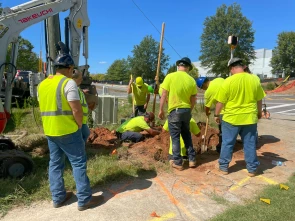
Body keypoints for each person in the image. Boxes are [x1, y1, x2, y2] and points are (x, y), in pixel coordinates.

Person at [38, 50, 103, 211]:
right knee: (78, 163)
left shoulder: (43, 84)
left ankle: (58, 197)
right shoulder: (68, 83)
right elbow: (76, 109)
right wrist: (79, 125)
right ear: (69, 69)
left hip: (50, 131)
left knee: (55, 164)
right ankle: (84, 199)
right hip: (68, 130)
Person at [214, 58, 266, 177]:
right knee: (249, 143)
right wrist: (259, 113)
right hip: (249, 118)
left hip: (231, 118)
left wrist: (217, 115)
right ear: (243, 67)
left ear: (231, 68)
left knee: (227, 143)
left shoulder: (227, 81)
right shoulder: (254, 79)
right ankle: (252, 169)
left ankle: (224, 167)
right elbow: (259, 99)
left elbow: (220, 102)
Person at [158, 57, 198, 171]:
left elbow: (164, 93)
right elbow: (193, 99)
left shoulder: (170, 76)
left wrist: (161, 109)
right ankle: (192, 160)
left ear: (178, 66)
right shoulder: (191, 80)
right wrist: (189, 110)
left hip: (175, 111)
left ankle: (178, 162)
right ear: (188, 67)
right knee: (187, 135)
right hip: (186, 111)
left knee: (175, 137)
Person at [196, 77, 225, 153]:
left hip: (223, 112)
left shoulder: (208, 92)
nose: (202, 89)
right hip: (234, 108)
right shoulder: (219, 79)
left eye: (201, 87)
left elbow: (207, 107)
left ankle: (222, 149)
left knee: (222, 131)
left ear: (204, 84)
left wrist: (207, 112)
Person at [72, 69, 90, 144]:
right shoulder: (73, 89)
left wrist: (83, 92)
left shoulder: (77, 88)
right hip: (79, 119)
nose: (82, 80)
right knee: (84, 135)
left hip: (82, 119)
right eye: (80, 78)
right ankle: (80, 150)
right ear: (74, 79)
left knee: (85, 134)